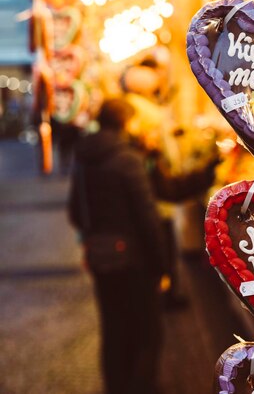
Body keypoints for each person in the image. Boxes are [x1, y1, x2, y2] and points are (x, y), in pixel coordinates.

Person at [68, 97, 166, 394]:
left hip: (100, 256)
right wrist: (162, 265)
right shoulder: (128, 159)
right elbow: (148, 217)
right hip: (134, 260)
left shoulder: (83, 157)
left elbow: (75, 209)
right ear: (125, 121)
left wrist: (94, 234)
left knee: (113, 330)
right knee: (146, 332)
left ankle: (116, 387)